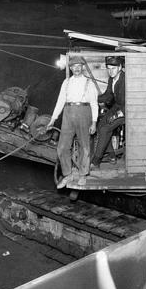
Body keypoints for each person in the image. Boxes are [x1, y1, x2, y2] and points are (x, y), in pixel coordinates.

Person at [48, 55, 99, 189]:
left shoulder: (89, 83)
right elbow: (60, 102)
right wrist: (53, 119)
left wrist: (94, 122)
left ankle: (83, 174)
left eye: (78, 66)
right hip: (68, 113)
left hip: (84, 112)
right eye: (73, 67)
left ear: (82, 68)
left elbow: (94, 104)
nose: (76, 69)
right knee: (63, 147)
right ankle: (68, 174)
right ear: (70, 68)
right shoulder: (66, 82)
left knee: (85, 145)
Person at [92, 55, 126, 168]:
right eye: (109, 68)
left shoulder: (125, 79)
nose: (110, 71)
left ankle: (96, 160)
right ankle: (112, 155)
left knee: (105, 129)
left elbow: (128, 102)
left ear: (120, 67)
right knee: (100, 125)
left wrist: (117, 115)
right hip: (117, 106)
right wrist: (92, 98)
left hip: (127, 111)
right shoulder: (112, 78)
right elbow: (108, 96)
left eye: (113, 68)